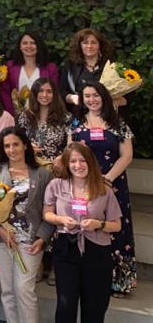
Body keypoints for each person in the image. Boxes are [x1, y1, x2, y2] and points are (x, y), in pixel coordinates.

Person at [44, 143, 122, 323]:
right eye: (73, 161)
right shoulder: (56, 185)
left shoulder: (103, 189)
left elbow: (117, 224)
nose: (78, 165)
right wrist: (61, 219)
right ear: (67, 165)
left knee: (94, 309)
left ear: (90, 162)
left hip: (97, 253)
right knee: (66, 305)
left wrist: (99, 224)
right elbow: (47, 213)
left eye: (82, 160)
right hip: (66, 249)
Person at [0, 127, 53, 323]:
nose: (11, 150)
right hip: (3, 239)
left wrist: (43, 238)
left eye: (15, 144)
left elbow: (50, 210)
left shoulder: (42, 174)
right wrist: (0, 230)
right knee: (8, 290)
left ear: (25, 145)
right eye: (7, 146)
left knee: (25, 289)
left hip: (30, 241)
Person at [70, 81, 136, 295]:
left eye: (96, 95)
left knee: (116, 229)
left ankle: (119, 281)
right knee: (87, 226)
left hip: (113, 184)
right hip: (83, 186)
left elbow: (127, 156)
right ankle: (88, 277)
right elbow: (69, 153)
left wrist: (107, 179)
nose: (92, 100)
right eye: (87, 96)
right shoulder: (75, 123)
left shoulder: (117, 122)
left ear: (104, 97)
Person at [1, 32, 59, 116]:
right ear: (20, 47)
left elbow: (54, 92)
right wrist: (13, 113)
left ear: (38, 46)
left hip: (43, 115)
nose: (29, 46)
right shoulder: (10, 66)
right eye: (25, 43)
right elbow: (5, 92)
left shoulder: (50, 68)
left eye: (33, 43)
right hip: (16, 116)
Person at [17, 77, 70, 162]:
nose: (44, 95)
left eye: (49, 91)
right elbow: (17, 140)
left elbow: (70, 146)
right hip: (31, 162)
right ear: (35, 93)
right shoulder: (25, 116)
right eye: (41, 91)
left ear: (54, 94)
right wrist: (27, 146)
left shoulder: (65, 118)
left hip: (56, 164)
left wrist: (61, 159)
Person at [60, 28, 115, 108]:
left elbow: (126, 97)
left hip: (106, 113)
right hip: (79, 112)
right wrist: (73, 98)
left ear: (100, 45)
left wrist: (108, 101)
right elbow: (62, 92)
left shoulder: (110, 66)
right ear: (80, 45)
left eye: (94, 43)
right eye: (85, 43)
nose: (89, 46)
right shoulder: (70, 66)